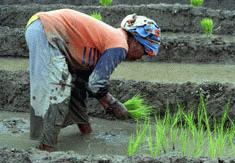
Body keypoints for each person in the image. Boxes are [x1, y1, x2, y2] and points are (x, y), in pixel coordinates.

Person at [25, 9, 161, 152]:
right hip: (45, 29)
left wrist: (105, 104)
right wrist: (114, 105)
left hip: (44, 28)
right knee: (59, 90)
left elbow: (87, 83)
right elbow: (96, 84)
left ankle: (86, 132)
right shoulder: (120, 45)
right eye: (145, 51)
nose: (141, 56)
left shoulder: (107, 40)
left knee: (76, 88)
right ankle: (46, 149)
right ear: (135, 40)